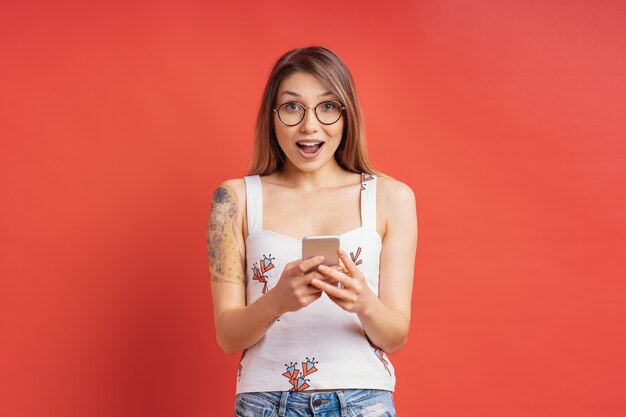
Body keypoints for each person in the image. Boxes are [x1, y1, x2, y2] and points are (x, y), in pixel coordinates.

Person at [207, 46, 417, 417]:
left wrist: (363, 302)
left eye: (327, 107)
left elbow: (395, 336)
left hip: (362, 403)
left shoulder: (390, 198)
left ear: (346, 115)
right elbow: (228, 337)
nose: (309, 125)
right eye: (292, 107)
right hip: (266, 404)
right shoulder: (235, 199)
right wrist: (277, 301)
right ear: (272, 117)